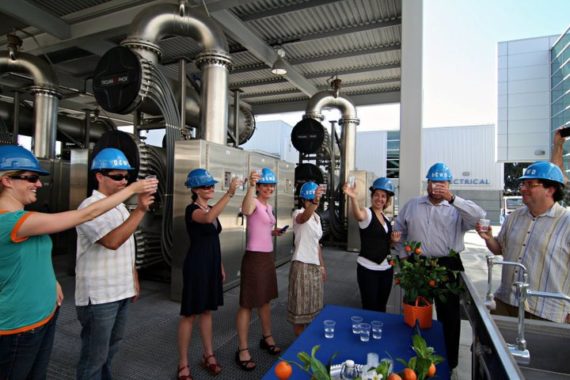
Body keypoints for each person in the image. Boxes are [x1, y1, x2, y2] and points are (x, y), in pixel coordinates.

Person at [0, 145, 156, 380]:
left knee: (106, 352)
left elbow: (36, 254)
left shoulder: (26, 219)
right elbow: (97, 226)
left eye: (127, 177)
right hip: (22, 323)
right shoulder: (11, 222)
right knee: (94, 358)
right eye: (31, 177)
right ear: (6, 181)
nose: (39, 184)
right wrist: (138, 199)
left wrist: (52, 281)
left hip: (43, 315)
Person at [75, 148, 158, 380]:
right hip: (100, 296)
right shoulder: (89, 207)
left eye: (126, 177)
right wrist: (140, 209)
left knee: (111, 348)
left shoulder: (120, 206)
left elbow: (126, 248)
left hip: (120, 291)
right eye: (118, 176)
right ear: (99, 176)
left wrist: (133, 280)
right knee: (94, 356)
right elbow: (112, 241)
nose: (124, 181)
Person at [394, 162, 485, 371]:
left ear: (449, 185)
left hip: (447, 265)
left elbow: (479, 217)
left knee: (449, 315)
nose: (437, 187)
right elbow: (399, 230)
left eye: (442, 183)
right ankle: (414, 354)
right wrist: (404, 257)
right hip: (417, 264)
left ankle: (448, 361)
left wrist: (452, 199)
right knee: (415, 311)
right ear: (427, 183)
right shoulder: (413, 205)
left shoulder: (457, 209)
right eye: (433, 182)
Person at [477, 161, 570, 324]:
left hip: (546, 311)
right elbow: (499, 249)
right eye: (523, 184)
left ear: (550, 189)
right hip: (505, 303)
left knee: (539, 350)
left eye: (530, 184)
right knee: (487, 346)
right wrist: (489, 238)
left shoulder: (566, 222)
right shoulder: (514, 217)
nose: (522, 189)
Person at [177, 169, 240, 380]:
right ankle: (183, 363)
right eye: (206, 186)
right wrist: (229, 193)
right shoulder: (191, 210)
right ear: (194, 189)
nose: (210, 189)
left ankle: (208, 354)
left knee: (206, 311)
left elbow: (214, 239)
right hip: (196, 265)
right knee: (189, 314)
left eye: (212, 185)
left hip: (211, 264)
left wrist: (220, 265)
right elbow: (207, 218)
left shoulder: (212, 207)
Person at [235, 168, 286, 371]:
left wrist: (273, 231)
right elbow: (246, 210)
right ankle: (242, 349)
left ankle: (267, 337)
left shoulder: (268, 206)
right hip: (254, 258)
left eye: (271, 185)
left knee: (265, 300)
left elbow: (262, 227)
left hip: (266, 258)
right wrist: (250, 187)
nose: (269, 188)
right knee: (247, 304)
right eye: (265, 185)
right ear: (259, 186)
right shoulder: (254, 201)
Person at [343, 177, 401, 312]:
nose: (380, 199)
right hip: (368, 270)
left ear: (387, 200)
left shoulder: (386, 218)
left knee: (381, 308)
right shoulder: (367, 213)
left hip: (386, 269)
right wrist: (353, 197)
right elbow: (358, 215)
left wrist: (393, 241)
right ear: (372, 196)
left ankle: (378, 332)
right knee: (370, 308)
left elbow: (387, 244)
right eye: (377, 195)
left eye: (383, 196)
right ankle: (367, 333)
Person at [287, 181, 325, 336]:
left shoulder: (317, 217)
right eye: (310, 200)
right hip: (301, 265)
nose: (313, 203)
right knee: (300, 313)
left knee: (314, 310)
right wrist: (315, 202)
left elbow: (317, 245)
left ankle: (309, 345)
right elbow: (303, 218)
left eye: (315, 199)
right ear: (304, 200)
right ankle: (299, 349)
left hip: (314, 267)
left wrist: (322, 266)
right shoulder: (298, 213)